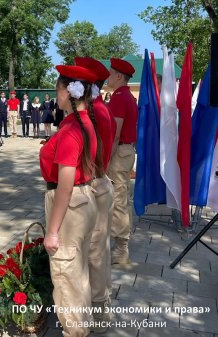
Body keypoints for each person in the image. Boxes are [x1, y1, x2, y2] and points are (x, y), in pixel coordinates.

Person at [41, 65, 98, 337]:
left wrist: (52, 231)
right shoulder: (85, 122)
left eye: (58, 90)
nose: (57, 96)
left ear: (67, 92)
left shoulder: (72, 129)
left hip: (70, 204)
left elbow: (64, 185)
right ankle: (81, 326)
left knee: (65, 275)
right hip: (83, 201)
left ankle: (74, 331)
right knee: (79, 274)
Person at [75, 56, 116, 332]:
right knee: (93, 251)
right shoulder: (95, 109)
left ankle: (100, 312)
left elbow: (99, 155)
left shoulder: (97, 112)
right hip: (95, 183)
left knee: (97, 253)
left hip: (97, 184)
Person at [107, 58, 138, 265]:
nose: (108, 77)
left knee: (118, 200)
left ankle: (121, 249)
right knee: (122, 198)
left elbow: (115, 133)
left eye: (110, 73)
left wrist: (105, 158)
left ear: (119, 76)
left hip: (119, 152)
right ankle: (121, 243)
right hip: (125, 151)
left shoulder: (119, 98)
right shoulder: (127, 96)